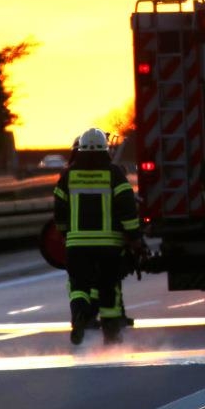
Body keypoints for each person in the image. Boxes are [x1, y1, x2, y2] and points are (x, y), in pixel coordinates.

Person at [53, 127, 143, 346]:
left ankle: (79, 315)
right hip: (109, 245)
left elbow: (59, 211)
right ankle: (111, 335)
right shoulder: (114, 174)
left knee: (78, 286)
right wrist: (134, 238)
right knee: (108, 288)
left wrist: (66, 234)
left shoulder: (68, 176)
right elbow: (127, 209)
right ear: (105, 149)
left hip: (77, 245)